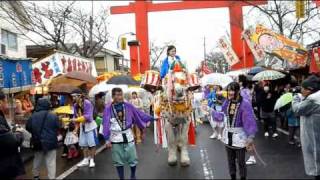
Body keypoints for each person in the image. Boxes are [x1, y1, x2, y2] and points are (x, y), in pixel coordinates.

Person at [102, 88, 154, 180]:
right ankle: (121, 178)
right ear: (113, 96)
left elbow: (140, 114)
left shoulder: (128, 106)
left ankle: (133, 175)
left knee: (133, 159)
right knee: (118, 161)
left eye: (121, 94)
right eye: (117, 95)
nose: (119, 97)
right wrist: (106, 139)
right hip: (115, 138)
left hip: (128, 136)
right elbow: (105, 123)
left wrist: (152, 118)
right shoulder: (108, 108)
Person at [212, 82, 257, 180]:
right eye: (229, 90)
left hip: (240, 137)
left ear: (238, 91)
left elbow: (249, 120)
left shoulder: (245, 103)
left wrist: (250, 136)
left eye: (232, 90)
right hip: (228, 137)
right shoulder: (227, 102)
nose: (230, 92)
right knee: (230, 161)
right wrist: (210, 111)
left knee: (241, 162)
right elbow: (221, 115)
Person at [292, 75, 320, 180]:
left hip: (314, 138)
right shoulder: (316, 98)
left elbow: (296, 109)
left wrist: (295, 97)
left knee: (316, 163)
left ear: (309, 90)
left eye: (303, 88)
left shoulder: (313, 100)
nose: (301, 89)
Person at [26, 98, 59, 180]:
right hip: (51, 141)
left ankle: (36, 176)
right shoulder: (53, 115)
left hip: (38, 142)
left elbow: (28, 127)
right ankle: (51, 177)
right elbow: (58, 126)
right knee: (51, 161)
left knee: (37, 159)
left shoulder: (33, 116)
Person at [0, 90, 25, 179]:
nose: (6, 104)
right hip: (6, 166)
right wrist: (19, 133)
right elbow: (12, 141)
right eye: (5, 101)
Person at [73, 89, 98, 168]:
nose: (73, 98)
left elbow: (88, 116)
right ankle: (85, 159)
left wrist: (77, 119)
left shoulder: (87, 103)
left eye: (74, 96)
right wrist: (75, 128)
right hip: (82, 126)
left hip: (90, 126)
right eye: (72, 96)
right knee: (83, 144)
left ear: (79, 96)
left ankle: (92, 160)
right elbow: (75, 116)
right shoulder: (75, 105)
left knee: (92, 144)